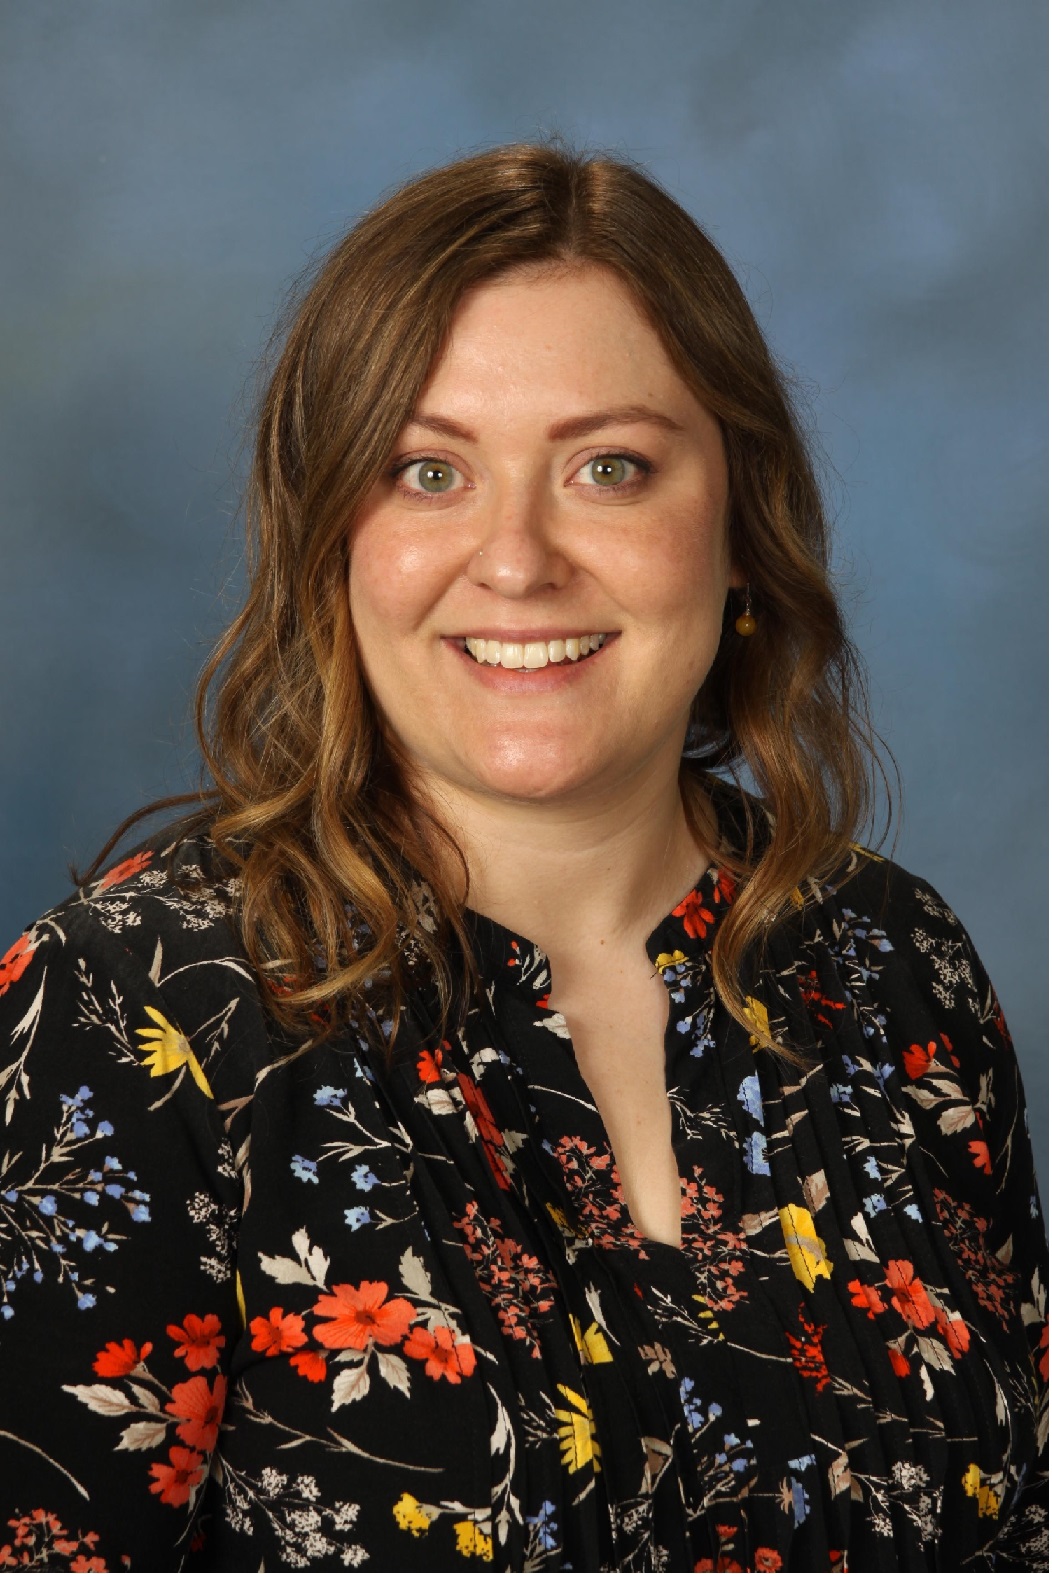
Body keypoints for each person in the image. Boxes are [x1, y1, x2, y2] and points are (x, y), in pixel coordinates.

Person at [0, 143, 1045, 1574]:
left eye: (608, 467)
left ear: (738, 522)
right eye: (427, 470)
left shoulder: (890, 962)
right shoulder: (133, 1014)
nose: (516, 557)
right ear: (333, 542)